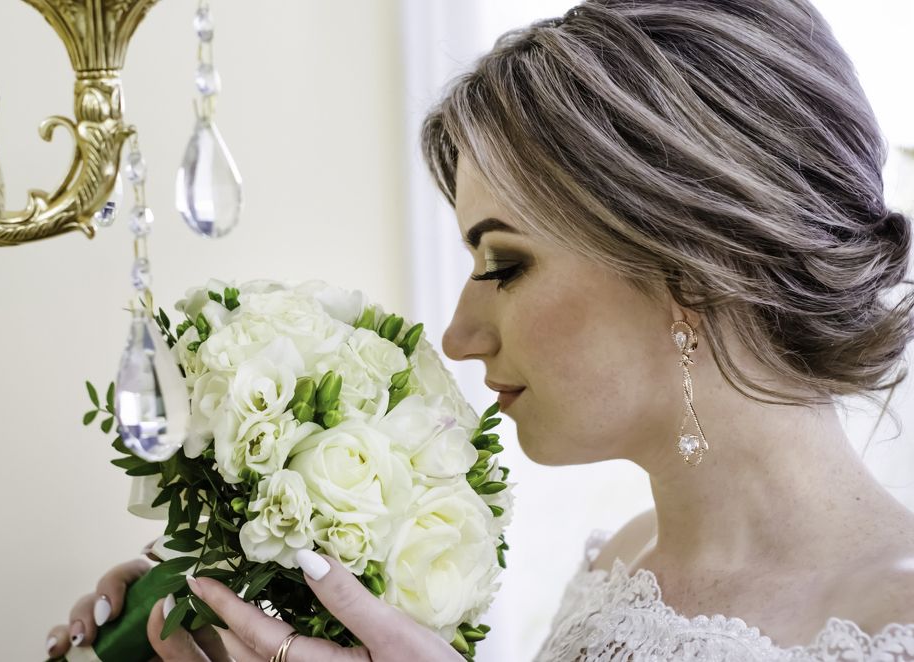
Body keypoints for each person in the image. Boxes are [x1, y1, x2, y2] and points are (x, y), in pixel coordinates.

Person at [47, 0, 914, 659]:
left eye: (504, 265)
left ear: (693, 261)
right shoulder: (618, 569)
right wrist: (231, 606)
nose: (459, 336)